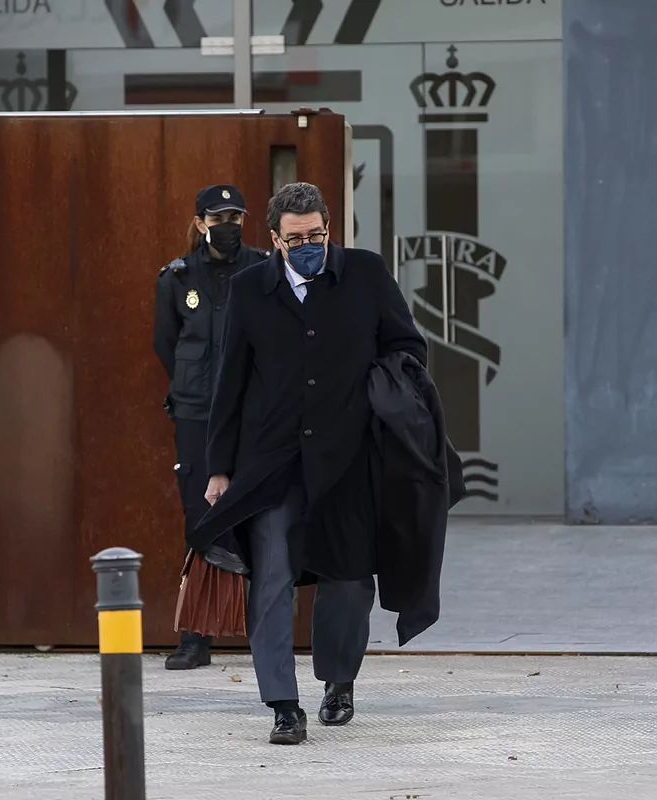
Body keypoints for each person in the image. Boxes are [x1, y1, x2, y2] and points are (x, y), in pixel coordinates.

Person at [190, 181, 430, 745]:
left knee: (349, 580)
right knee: (272, 578)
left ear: (329, 229)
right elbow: (230, 380)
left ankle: (338, 683)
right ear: (275, 239)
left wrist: (380, 393)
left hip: (349, 457)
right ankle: (282, 704)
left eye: (316, 235)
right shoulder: (251, 289)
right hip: (273, 461)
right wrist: (219, 468)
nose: (307, 246)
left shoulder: (366, 274)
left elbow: (408, 348)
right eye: (295, 238)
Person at [152, 184, 268, 671]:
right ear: (201, 223)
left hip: (253, 412)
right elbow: (166, 343)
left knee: (261, 515)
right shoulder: (178, 277)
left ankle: (265, 634)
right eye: (218, 218)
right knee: (200, 516)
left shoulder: (262, 269)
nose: (228, 226)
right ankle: (195, 639)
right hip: (197, 413)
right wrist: (194, 388)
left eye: (235, 217)